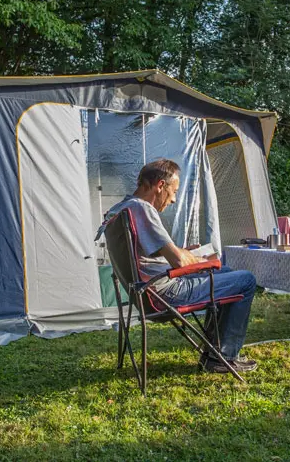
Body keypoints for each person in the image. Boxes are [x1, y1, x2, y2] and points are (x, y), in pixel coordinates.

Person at [102, 158, 259, 373]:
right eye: (174, 191)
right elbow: (177, 260)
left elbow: (153, 252)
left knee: (228, 273)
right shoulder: (142, 209)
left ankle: (216, 352)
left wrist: (185, 252)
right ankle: (222, 357)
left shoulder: (119, 210)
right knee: (246, 280)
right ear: (160, 186)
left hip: (145, 292)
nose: (174, 199)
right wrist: (196, 259)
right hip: (165, 294)